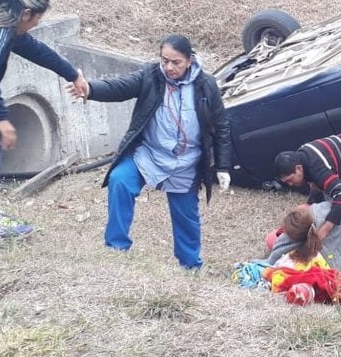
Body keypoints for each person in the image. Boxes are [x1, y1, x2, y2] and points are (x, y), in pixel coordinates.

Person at [65, 34, 232, 268]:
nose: (169, 67)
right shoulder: (151, 76)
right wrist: (89, 89)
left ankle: (191, 266)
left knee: (187, 217)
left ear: (190, 60)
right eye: (164, 60)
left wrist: (223, 165)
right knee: (120, 180)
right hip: (149, 153)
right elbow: (119, 87)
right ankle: (116, 248)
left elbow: (221, 124)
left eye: (176, 62)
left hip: (185, 160)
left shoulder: (206, 84)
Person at [0, 0, 88, 237]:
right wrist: (1, 119)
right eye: (38, 18)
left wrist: (73, 75)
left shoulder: (7, 29)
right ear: (26, 14)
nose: (38, 24)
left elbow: (38, 51)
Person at [274, 134, 341, 274]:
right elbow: (317, 188)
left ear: (298, 168)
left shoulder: (317, 167)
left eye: (290, 180)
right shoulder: (302, 158)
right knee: (331, 202)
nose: (290, 184)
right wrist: (307, 212)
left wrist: (322, 233)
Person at [266, 202, 341, 277]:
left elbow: (271, 261)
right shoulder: (328, 212)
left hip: (318, 265)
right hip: (338, 263)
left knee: (270, 239)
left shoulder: (290, 240)